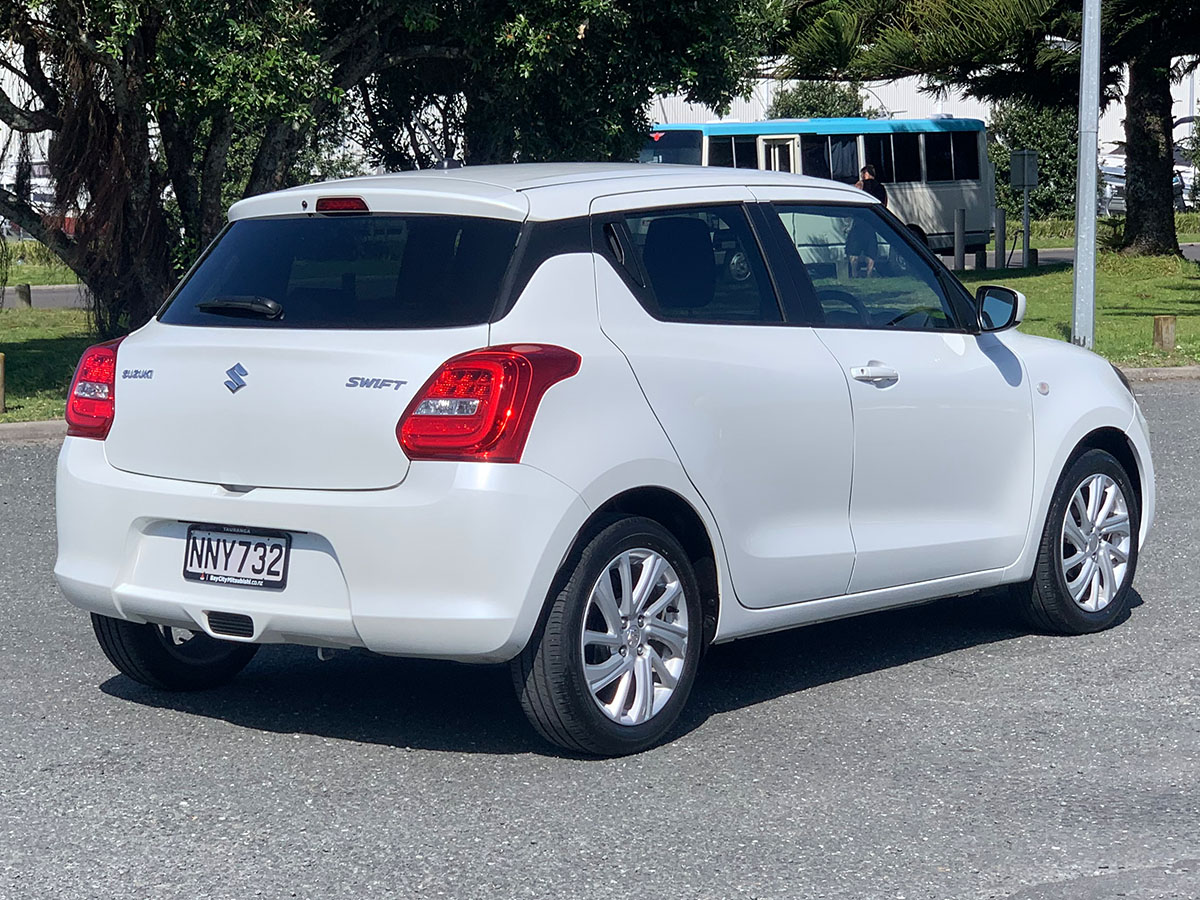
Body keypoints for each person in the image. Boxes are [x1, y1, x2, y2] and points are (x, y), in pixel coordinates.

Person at [846, 166, 888, 276]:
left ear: (866, 174)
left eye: (862, 174)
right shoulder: (881, 188)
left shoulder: (861, 184)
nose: (861, 177)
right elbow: (884, 204)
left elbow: (853, 197)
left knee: (853, 249)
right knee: (871, 250)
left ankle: (854, 273)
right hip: (872, 222)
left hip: (860, 221)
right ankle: (869, 274)